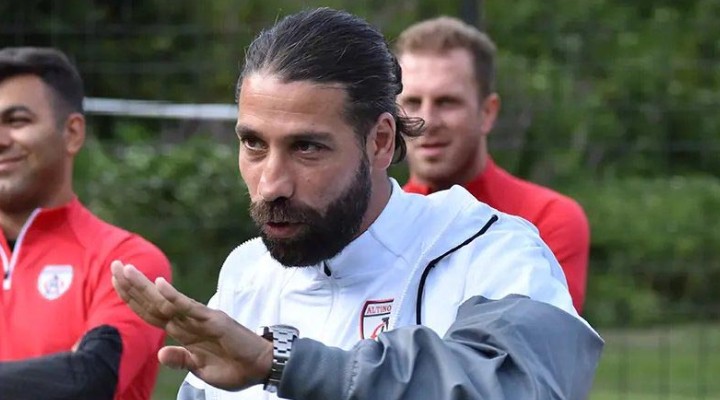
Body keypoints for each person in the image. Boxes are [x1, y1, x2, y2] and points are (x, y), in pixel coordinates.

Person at [111, 7, 603, 400]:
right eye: (254, 144)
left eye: (307, 147)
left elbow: (517, 385)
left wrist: (278, 362)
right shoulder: (247, 274)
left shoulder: (488, 250)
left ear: (381, 142)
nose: (271, 184)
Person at [0, 47, 172, 400]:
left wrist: (72, 374)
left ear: (72, 133)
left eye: (16, 121)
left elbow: (89, 380)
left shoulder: (127, 263)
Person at [396, 17, 590, 313]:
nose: (427, 121)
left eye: (447, 102)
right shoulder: (378, 224)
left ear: (487, 113)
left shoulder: (548, 218)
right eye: (412, 102)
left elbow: (534, 335)